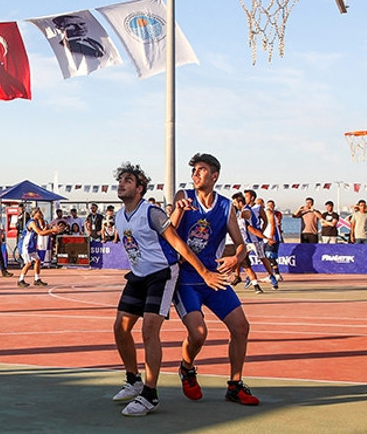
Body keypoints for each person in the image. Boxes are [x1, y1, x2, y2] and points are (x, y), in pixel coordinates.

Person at [110, 162, 227, 417]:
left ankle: (150, 394)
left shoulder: (152, 213)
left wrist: (204, 273)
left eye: (128, 180)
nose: (122, 184)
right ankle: (133, 380)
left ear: (140, 188)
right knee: (120, 327)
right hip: (139, 276)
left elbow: (180, 245)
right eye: (121, 180)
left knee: (149, 330)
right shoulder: (119, 216)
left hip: (162, 275)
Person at [170, 153, 260, 406]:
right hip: (187, 278)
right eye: (194, 171)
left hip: (214, 278)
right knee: (199, 334)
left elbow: (241, 245)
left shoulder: (225, 206)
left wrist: (235, 259)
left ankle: (235, 385)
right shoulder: (183, 197)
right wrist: (177, 212)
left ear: (215, 176)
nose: (195, 174)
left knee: (241, 327)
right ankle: (187, 368)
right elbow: (171, 234)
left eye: (201, 170)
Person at [231, 193, 278, 290]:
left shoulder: (247, 211)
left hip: (255, 240)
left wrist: (265, 236)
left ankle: (272, 276)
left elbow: (252, 228)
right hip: (246, 240)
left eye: (235, 202)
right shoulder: (243, 211)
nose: (234, 204)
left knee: (262, 257)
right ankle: (238, 276)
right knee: (239, 258)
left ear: (240, 202)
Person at [17, 208, 61, 288]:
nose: (41, 214)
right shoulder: (32, 223)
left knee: (38, 260)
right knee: (28, 263)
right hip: (25, 246)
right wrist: (51, 230)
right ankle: (20, 280)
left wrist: (48, 227)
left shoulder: (37, 222)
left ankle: (37, 279)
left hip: (31, 245)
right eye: (39, 213)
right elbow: (40, 233)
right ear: (35, 214)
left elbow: (43, 229)